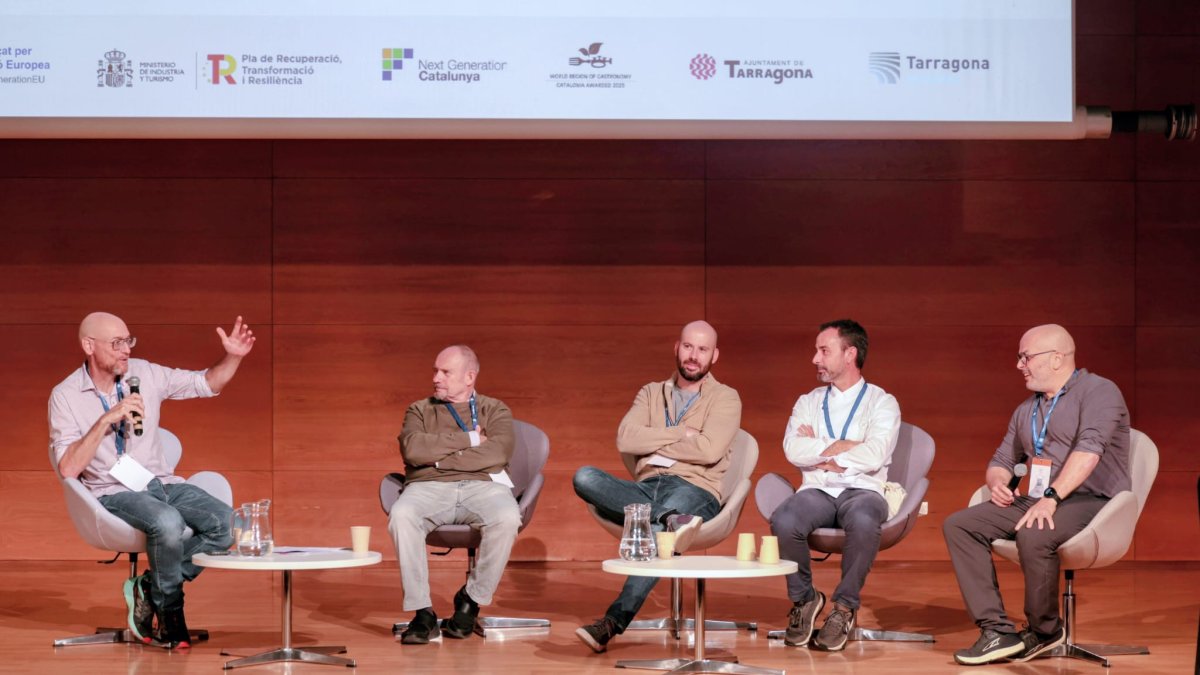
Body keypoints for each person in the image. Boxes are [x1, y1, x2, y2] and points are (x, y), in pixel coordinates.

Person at [50, 312, 254, 648]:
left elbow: (207, 383)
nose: (125, 350)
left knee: (227, 525)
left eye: (129, 341)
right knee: (167, 522)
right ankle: (171, 611)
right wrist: (107, 419)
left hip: (160, 482)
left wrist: (233, 355)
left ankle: (150, 587)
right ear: (89, 345)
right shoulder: (65, 395)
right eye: (116, 343)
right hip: (111, 491)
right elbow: (69, 468)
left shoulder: (145, 373)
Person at [944, 324, 1131, 665]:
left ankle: (1046, 630)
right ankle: (997, 631)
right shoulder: (1028, 409)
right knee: (960, 525)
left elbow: (1090, 451)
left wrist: (1052, 498)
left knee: (1035, 531)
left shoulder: (1099, 391)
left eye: (1026, 356)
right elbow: (1002, 459)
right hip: (1039, 499)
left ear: (1057, 358)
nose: (1020, 365)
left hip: (1093, 501)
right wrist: (998, 481)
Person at [574, 320, 743, 653]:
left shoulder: (726, 397)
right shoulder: (651, 392)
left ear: (714, 355)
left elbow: (709, 449)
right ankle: (667, 516)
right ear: (677, 348)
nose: (694, 356)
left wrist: (653, 443)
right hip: (647, 486)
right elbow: (626, 438)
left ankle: (611, 622)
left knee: (655, 532)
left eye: (703, 349)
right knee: (584, 476)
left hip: (695, 489)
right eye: (688, 347)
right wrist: (683, 434)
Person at [770, 319, 900, 651]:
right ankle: (804, 600)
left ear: (849, 354)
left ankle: (844, 607)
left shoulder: (882, 402)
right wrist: (846, 445)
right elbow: (792, 450)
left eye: (823, 350)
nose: (815, 358)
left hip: (864, 488)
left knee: (864, 520)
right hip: (819, 488)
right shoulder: (808, 402)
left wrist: (821, 447)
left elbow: (874, 455)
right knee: (784, 520)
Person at [388, 345, 520, 645]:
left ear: (469, 377)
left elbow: (498, 453)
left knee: (508, 517)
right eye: (435, 371)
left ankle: (471, 599)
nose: (436, 378)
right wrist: (471, 439)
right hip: (427, 486)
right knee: (402, 514)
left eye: (445, 372)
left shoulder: (495, 409)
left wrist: (439, 458)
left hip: (483, 485)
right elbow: (413, 450)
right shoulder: (419, 409)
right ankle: (422, 613)